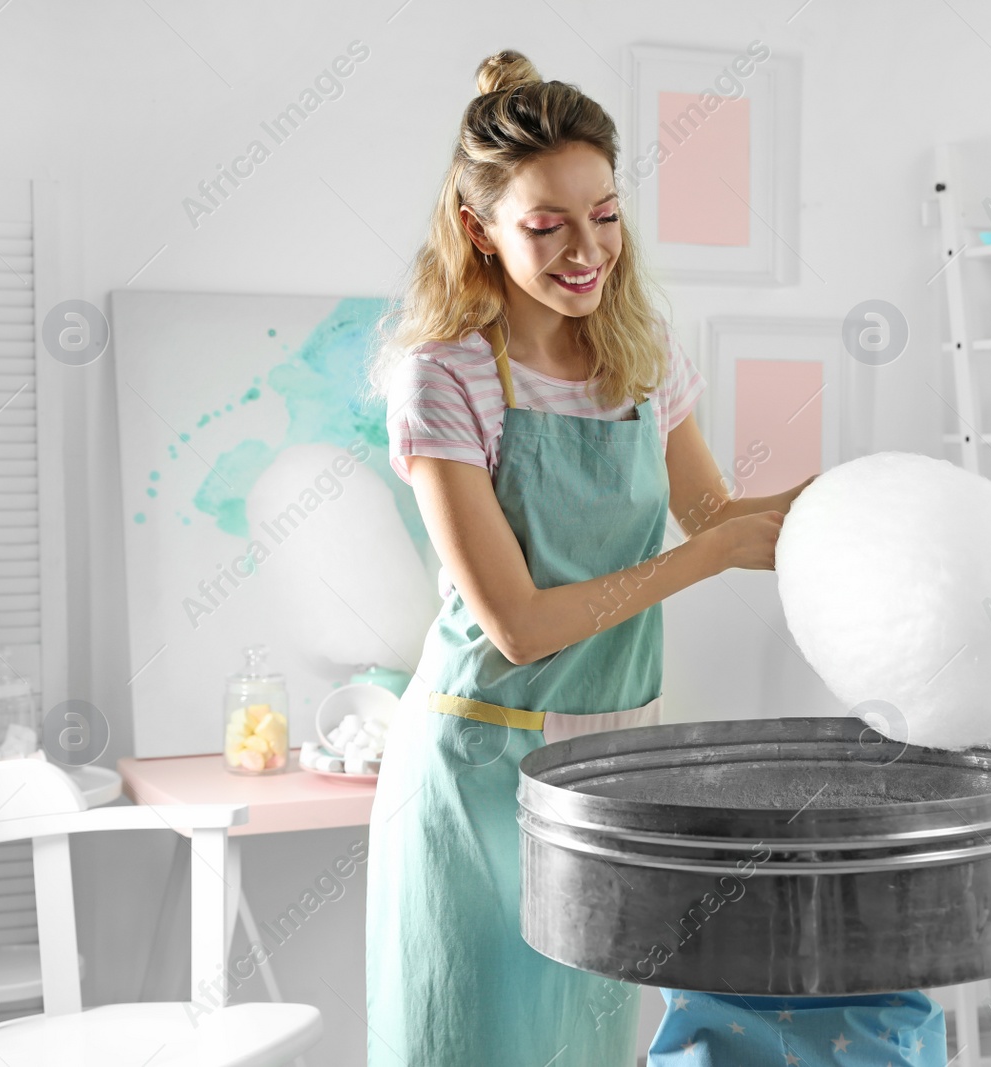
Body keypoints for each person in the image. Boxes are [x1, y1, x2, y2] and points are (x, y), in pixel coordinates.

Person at [362, 49, 805, 1066]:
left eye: (602, 213)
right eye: (544, 223)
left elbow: (710, 513)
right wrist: (717, 550)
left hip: (608, 772)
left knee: (587, 1045)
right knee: (479, 1043)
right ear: (476, 230)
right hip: (482, 766)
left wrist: (845, 512)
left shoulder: (644, 360)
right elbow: (518, 623)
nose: (584, 248)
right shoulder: (445, 381)